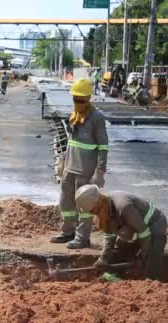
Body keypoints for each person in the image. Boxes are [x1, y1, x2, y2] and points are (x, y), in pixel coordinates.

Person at [51, 78, 108, 249]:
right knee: (66, 201)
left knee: (84, 203)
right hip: (70, 166)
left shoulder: (96, 117)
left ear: (88, 98)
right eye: (75, 99)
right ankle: (67, 230)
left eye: (81, 99)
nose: (77, 102)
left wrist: (100, 171)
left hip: (85, 169)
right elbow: (72, 141)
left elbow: (103, 146)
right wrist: (62, 159)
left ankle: (82, 237)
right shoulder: (74, 115)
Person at [75, 184, 168, 280]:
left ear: (97, 205)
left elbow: (144, 233)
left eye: (92, 211)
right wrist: (103, 258)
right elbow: (109, 235)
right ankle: (115, 277)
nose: (93, 214)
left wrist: (142, 255)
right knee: (119, 251)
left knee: (151, 256)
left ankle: (153, 280)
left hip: (154, 224)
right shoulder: (105, 207)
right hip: (135, 228)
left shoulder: (123, 206)